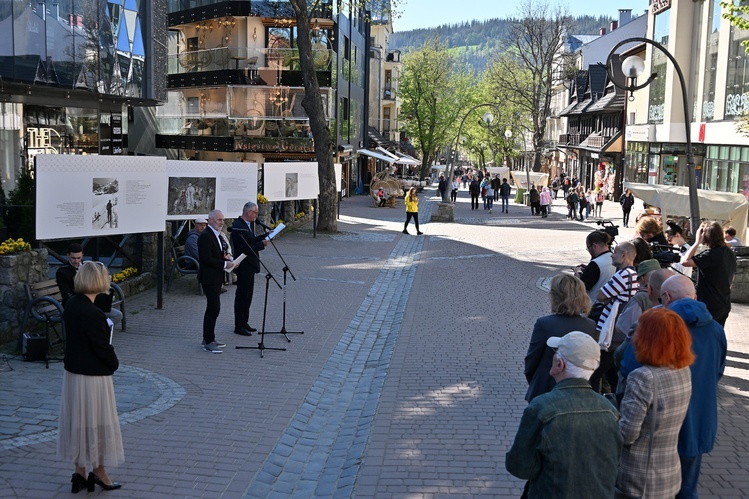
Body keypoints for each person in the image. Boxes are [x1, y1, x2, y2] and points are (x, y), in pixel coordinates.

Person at [506, 332, 622, 498]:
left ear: (559, 364)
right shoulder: (610, 409)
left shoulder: (541, 408)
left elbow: (519, 467)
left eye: (555, 353)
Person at [57, 261, 124, 493]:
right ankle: (100, 471)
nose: (109, 279)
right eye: (106, 276)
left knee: (79, 422)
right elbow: (101, 347)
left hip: (74, 374)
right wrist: (113, 363)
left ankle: (80, 472)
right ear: (97, 280)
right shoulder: (91, 313)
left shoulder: (74, 304)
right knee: (97, 423)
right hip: (93, 376)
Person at [658, 275, 727, 498]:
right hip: (699, 419)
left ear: (666, 297)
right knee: (688, 487)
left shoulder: (659, 326)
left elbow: (631, 366)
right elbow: (717, 371)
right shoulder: (716, 330)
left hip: (663, 422)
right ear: (695, 297)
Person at [616, 308, 694, 499]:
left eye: (639, 330)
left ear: (650, 338)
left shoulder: (643, 377)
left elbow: (627, 434)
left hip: (639, 480)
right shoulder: (683, 369)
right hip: (668, 474)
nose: (634, 336)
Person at [524, 274, 596, 402]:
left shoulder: (544, 324)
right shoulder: (590, 325)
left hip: (545, 388)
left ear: (556, 297)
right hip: (577, 393)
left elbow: (531, 361)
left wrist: (535, 382)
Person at [591, 241, 638, 393]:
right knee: (611, 373)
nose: (612, 254)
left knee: (595, 372)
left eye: (615, 252)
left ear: (624, 256)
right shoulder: (633, 274)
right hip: (618, 331)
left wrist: (607, 298)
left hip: (611, 333)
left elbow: (600, 295)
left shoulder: (623, 275)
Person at [681, 221, 738, 326]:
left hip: (709, 304)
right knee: (716, 336)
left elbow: (684, 262)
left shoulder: (710, 255)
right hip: (724, 302)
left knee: (705, 336)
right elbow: (732, 276)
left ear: (705, 236)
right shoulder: (729, 252)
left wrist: (696, 242)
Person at [56, 243, 122, 326]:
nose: (76, 261)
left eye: (78, 258)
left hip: (93, 303)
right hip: (77, 305)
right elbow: (66, 295)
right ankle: (96, 329)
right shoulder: (63, 272)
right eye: (73, 258)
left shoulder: (87, 267)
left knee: (117, 315)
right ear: (68, 255)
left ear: (82, 255)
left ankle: (98, 328)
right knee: (93, 316)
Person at [198, 209, 234, 353]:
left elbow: (217, 254)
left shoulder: (217, 235)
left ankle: (210, 338)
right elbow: (206, 259)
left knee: (214, 308)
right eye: (219, 220)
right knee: (213, 308)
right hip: (209, 278)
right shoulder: (205, 236)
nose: (222, 222)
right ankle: (208, 340)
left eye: (222, 219)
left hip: (216, 277)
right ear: (211, 220)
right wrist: (224, 264)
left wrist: (227, 259)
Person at [230, 201, 269, 338]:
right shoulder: (238, 227)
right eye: (255, 213)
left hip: (250, 266)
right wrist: (262, 244)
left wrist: (265, 236)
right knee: (242, 296)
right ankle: (238, 326)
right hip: (244, 266)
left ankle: (244, 322)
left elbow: (252, 241)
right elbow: (246, 248)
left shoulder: (248, 225)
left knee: (248, 296)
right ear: (249, 213)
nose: (256, 216)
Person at [578, 230, 616, 306]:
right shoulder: (614, 258)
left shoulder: (595, 264)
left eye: (588, 248)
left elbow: (581, 287)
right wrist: (587, 270)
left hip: (594, 307)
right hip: (609, 305)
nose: (589, 251)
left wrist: (577, 277)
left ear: (595, 246)